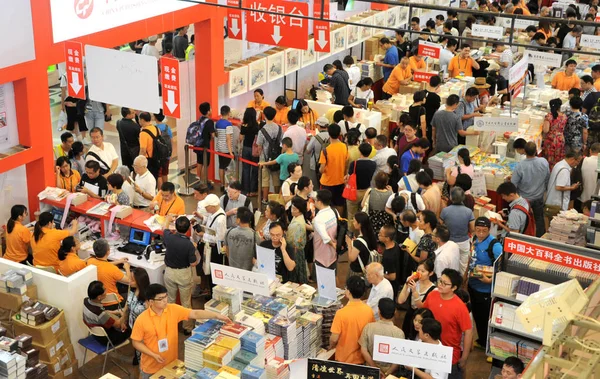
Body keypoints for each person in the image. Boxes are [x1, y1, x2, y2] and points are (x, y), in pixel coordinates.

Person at [131, 284, 231, 378]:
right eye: (160, 299)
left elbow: (195, 313)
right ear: (151, 302)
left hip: (172, 363)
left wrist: (217, 316)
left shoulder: (172, 309)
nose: (165, 300)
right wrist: (153, 355)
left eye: (166, 296)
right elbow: (136, 342)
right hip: (151, 367)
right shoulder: (142, 320)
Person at [421, 269, 472, 379]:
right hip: (429, 351)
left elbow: (468, 332)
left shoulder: (460, 307)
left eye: (445, 283)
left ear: (454, 288)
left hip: (449, 356)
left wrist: (464, 357)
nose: (440, 285)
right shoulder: (432, 295)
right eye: (440, 281)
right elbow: (423, 314)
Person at [468, 217, 502, 350]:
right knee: (477, 316)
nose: (481, 233)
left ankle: (490, 346)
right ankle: (482, 341)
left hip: (486, 290)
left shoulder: (495, 245)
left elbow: (501, 266)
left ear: (489, 230)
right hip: (473, 285)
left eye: (484, 230)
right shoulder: (474, 239)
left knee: (487, 318)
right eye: (478, 230)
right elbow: (471, 259)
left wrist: (490, 280)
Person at [163, 216, 200, 335]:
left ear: (176, 227)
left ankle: (171, 324)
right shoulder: (189, 244)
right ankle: (187, 327)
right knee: (186, 302)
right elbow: (193, 263)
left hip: (169, 272)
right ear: (189, 228)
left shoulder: (169, 237)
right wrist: (194, 249)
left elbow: (164, 228)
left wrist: (168, 219)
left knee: (170, 301)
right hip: (183, 274)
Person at [330, 276, 375, 364]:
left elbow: (334, 339)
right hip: (362, 358)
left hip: (344, 358)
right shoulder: (369, 310)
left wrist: (330, 346)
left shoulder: (341, 313)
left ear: (348, 291)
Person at [510, 142, 549, 236]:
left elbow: (513, 184)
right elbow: (547, 178)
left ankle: (526, 239)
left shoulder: (520, 166)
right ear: (536, 151)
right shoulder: (543, 162)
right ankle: (540, 238)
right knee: (539, 218)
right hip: (539, 196)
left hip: (524, 199)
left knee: (525, 221)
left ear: (524, 151)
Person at [359, 298, 405, 376]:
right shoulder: (399, 333)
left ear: (379, 311)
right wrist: (387, 373)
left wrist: (375, 369)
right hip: (390, 374)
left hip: (370, 371)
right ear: (395, 312)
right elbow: (399, 358)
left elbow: (363, 350)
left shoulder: (369, 327)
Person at [398, 260, 436, 339]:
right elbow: (400, 300)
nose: (419, 273)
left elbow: (422, 308)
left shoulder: (433, 289)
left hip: (423, 320)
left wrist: (415, 292)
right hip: (410, 316)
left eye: (423, 271)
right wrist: (407, 283)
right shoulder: (415, 283)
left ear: (431, 273)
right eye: (418, 270)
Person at [83, 281, 130, 346]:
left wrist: (117, 312)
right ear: (99, 297)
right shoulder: (101, 314)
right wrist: (125, 314)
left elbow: (103, 312)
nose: (106, 290)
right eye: (105, 290)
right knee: (131, 324)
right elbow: (118, 324)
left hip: (94, 332)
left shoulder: (86, 301)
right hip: (106, 339)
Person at [88, 239, 132, 308]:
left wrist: (118, 261)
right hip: (114, 303)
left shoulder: (90, 261)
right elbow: (129, 280)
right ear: (108, 252)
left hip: (99, 299)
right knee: (131, 295)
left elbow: (102, 263)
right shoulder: (112, 269)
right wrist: (127, 268)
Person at [441, 188, 475, 275]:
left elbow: (440, 226)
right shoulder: (468, 211)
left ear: (451, 198)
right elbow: (472, 229)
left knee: (449, 265)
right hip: (463, 242)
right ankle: (462, 284)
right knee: (463, 266)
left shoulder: (445, 211)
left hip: (449, 241)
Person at [544, 150, 582, 226]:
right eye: (577, 161)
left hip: (552, 201)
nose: (577, 164)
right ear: (572, 159)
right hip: (557, 204)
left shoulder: (559, 164)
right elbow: (559, 187)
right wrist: (572, 187)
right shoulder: (564, 169)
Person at [198, 194, 227, 287]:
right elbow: (210, 221)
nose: (205, 209)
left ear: (213, 206)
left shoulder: (220, 219)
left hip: (216, 250)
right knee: (209, 271)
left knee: (215, 274)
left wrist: (204, 235)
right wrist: (202, 218)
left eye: (207, 207)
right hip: (210, 246)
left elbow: (220, 238)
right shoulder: (213, 213)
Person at [346, 143, 377, 230]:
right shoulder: (373, 164)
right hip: (367, 192)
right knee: (363, 214)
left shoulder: (354, 164)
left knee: (352, 215)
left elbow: (349, 177)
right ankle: (362, 233)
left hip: (354, 191)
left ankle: (351, 234)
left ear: (359, 151)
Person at [319, 123, 348, 214]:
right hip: (340, 180)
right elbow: (346, 162)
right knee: (340, 203)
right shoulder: (344, 147)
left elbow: (322, 169)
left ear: (329, 133)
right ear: (339, 133)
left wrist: (320, 170)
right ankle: (340, 221)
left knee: (325, 204)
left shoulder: (326, 150)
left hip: (327, 182)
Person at [257, 106, 283, 203]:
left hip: (264, 158)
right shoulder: (279, 128)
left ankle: (265, 199)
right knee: (276, 178)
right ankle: (276, 199)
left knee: (265, 179)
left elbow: (259, 146)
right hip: (277, 158)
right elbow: (281, 143)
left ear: (264, 115)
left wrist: (261, 156)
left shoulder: (262, 131)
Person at [224, 207, 260, 271]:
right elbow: (257, 254)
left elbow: (226, 249)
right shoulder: (254, 235)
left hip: (232, 269)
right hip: (248, 271)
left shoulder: (229, 232)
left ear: (238, 220)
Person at [127, 268, 150, 366]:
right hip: (134, 329)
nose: (129, 281)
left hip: (144, 334)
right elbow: (127, 306)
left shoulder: (147, 299)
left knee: (144, 359)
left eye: (132, 279)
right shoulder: (132, 291)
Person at [189, 103, 216, 185]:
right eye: (210, 108)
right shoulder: (209, 121)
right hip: (205, 145)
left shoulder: (200, 119)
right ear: (208, 111)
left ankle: (200, 179)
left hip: (197, 144)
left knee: (200, 162)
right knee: (205, 164)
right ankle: (204, 182)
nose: (211, 110)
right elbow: (213, 135)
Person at [313, 190, 338, 272]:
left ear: (319, 202)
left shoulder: (318, 218)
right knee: (334, 276)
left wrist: (333, 245)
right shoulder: (334, 211)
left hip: (322, 255)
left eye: (316, 200)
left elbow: (325, 238)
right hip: (333, 253)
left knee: (323, 281)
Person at [287, 196, 308, 283]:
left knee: (296, 274)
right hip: (294, 249)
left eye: (294, 208)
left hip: (295, 251)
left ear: (299, 210)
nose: (292, 210)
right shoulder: (297, 217)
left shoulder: (298, 224)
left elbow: (296, 243)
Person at [542, 99, 568, 170]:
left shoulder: (549, 116)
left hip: (551, 140)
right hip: (560, 139)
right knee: (558, 157)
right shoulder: (564, 116)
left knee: (550, 158)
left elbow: (546, 130)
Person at [378, 224, 402, 296]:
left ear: (387, 238)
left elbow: (392, 277)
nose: (378, 235)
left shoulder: (389, 256)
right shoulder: (395, 244)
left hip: (391, 286)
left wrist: (379, 274)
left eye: (380, 234)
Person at [153, 111, 173, 188]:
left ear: (155, 117)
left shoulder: (154, 128)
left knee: (159, 174)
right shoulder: (167, 128)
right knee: (165, 173)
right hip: (167, 154)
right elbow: (171, 141)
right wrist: (170, 153)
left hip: (158, 156)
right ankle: (167, 188)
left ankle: (161, 192)